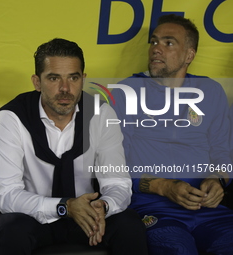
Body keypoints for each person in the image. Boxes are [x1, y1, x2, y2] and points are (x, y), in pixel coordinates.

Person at [0, 38, 148, 255]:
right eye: (54, 78)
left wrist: (104, 206)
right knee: (10, 229)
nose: (65, 89)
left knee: (129, 224)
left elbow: (117, 183)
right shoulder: (13, 117)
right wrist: (65, 206)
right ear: (37, 82)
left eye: (73, 78)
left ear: (83, 79)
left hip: (87, 217)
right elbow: (6, 195)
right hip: (35, 217)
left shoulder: (101, 114)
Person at [111, 14, 233, 254]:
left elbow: (223, 153)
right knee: (177, 249)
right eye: (154, 42)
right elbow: (114, 166)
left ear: (189, 55)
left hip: (209, 211)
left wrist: (218, 180)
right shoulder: (127, 92)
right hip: (153, 209)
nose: (156, 49)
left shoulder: (210, 91)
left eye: (168, 43)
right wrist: (162, 186)